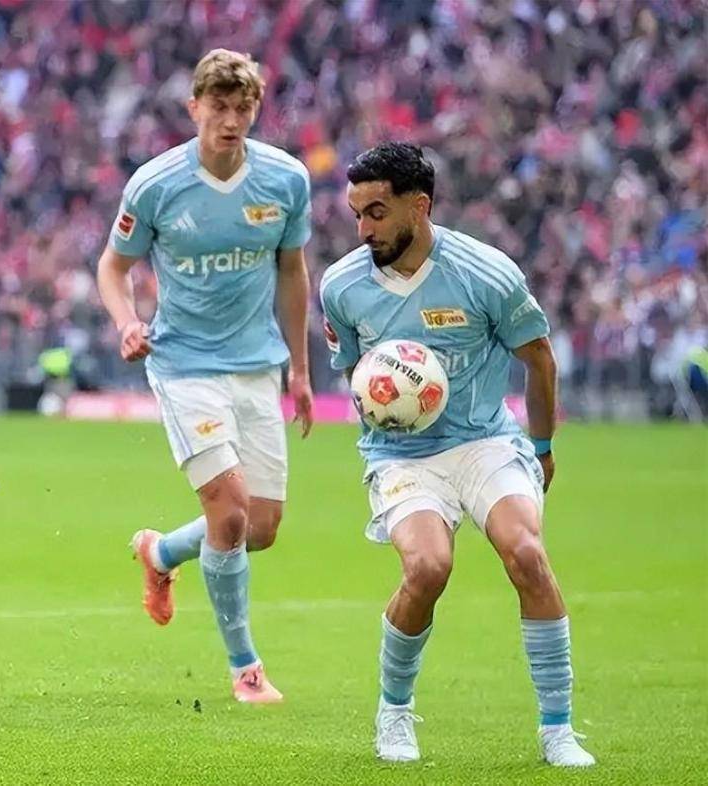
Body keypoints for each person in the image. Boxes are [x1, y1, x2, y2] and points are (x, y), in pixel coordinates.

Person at [319, 142, 595, 767]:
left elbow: (539, 357)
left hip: (484, 441)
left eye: (377, 213)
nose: (363, 230)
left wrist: (543, 446)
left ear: (419, 206)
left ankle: (558, 729)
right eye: (357, 215)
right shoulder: (341, 286)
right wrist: (385, 397)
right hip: (402, 455)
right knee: (427, 569)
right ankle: (394, 713)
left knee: (527, 555)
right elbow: (355, 375)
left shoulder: (485, 273)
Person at [95, 49, 314, 703]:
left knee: (260, 528)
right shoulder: (157, 184)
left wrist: (301, 370)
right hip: (184, 364)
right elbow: (113, 267)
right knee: (230, 510)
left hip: (257, 365)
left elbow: (293, 272)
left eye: (242, 108)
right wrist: (126, 323)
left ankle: (161, 553)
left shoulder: (286, 180)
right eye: (218, 107)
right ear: (194, 108)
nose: (230, 121)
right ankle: (246, 669)